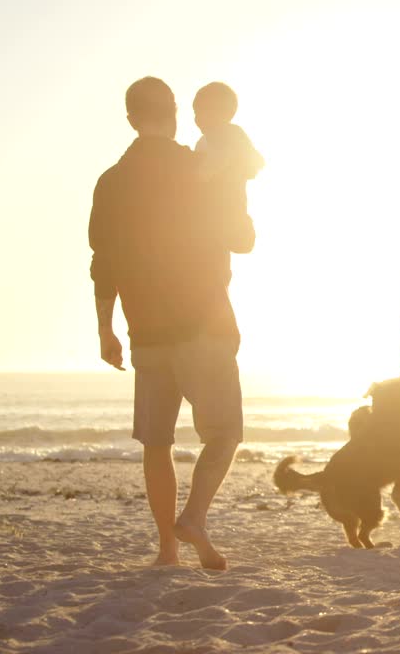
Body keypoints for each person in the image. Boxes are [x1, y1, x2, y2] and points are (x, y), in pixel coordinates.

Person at [89, 77, 255, 570]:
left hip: (145, 330)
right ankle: (194, 518)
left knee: (157, 442)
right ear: (176, 113)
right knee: (224, 433)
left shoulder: (112, 181)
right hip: (204, 322)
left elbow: (104, 261)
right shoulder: (199, 169)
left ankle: (166, 550)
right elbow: (242, 239)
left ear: (130, 118)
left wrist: (105, 328)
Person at [192, 82, 264, 274]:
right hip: (213, 220)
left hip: (226, 214)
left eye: (201, 111)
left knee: (217, 266)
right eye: (195, 112)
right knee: (218, 265)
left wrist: (228, 162)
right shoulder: (204, 141)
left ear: (222, 113)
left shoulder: (232, 135)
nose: (197, 119)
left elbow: (256, 163)